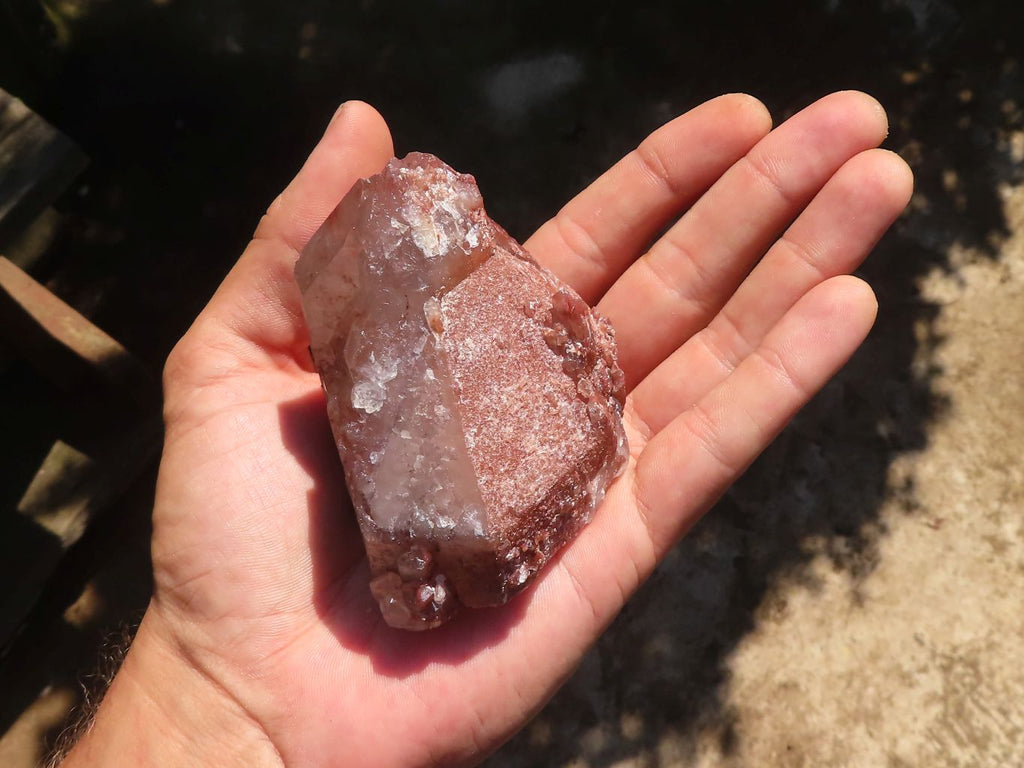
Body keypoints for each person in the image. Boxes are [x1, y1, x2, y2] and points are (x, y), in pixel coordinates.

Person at [59, 92, 912, 767]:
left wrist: (216, 715)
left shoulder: (412, 258)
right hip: (467, 516)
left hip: (511, 479)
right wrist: (220, 702)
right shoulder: (376, 261)